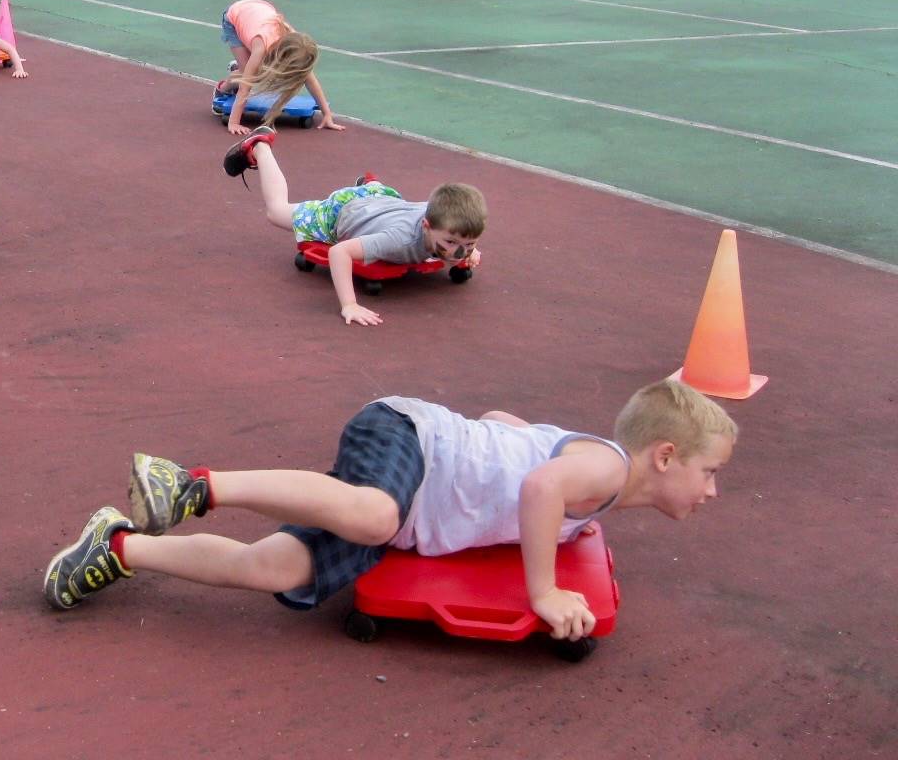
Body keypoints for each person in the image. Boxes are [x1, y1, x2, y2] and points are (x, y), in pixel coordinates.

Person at [43, 378, 738, 644]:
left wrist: (495, 444)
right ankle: (193, 485)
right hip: (410, 439)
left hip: (414, 508)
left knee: (275, 568)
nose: (712, 491)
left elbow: (503, 417)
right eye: (710, 473)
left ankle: (117, 547)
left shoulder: (597, 483)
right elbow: (537, 491)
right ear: (665, 457)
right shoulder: (608, 469)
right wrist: (542, 591)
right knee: (372, 514)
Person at [223, 126, 483, 325]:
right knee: (277, 211)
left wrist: (472, 249)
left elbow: (461, 229)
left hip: (385, 200)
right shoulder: (398, 239)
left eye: (468, 244)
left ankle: (370, 184)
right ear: (426, 225)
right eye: (451, 243)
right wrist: (349, 304)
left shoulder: (443, 217)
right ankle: (259, 147)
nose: (460, 252)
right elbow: (340, 252)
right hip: (343, 211)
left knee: (385, 198)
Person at [218, 0, 342, 136]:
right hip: (236, 16)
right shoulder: (261, 46)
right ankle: (223, 88)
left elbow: (310, 80)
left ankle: (242, 68)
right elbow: (245, 87)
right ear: (282, 56)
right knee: (250, 74)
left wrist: (327, 114)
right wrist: (234, 122)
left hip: (260, 10)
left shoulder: (298, 44)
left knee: (255, 69)